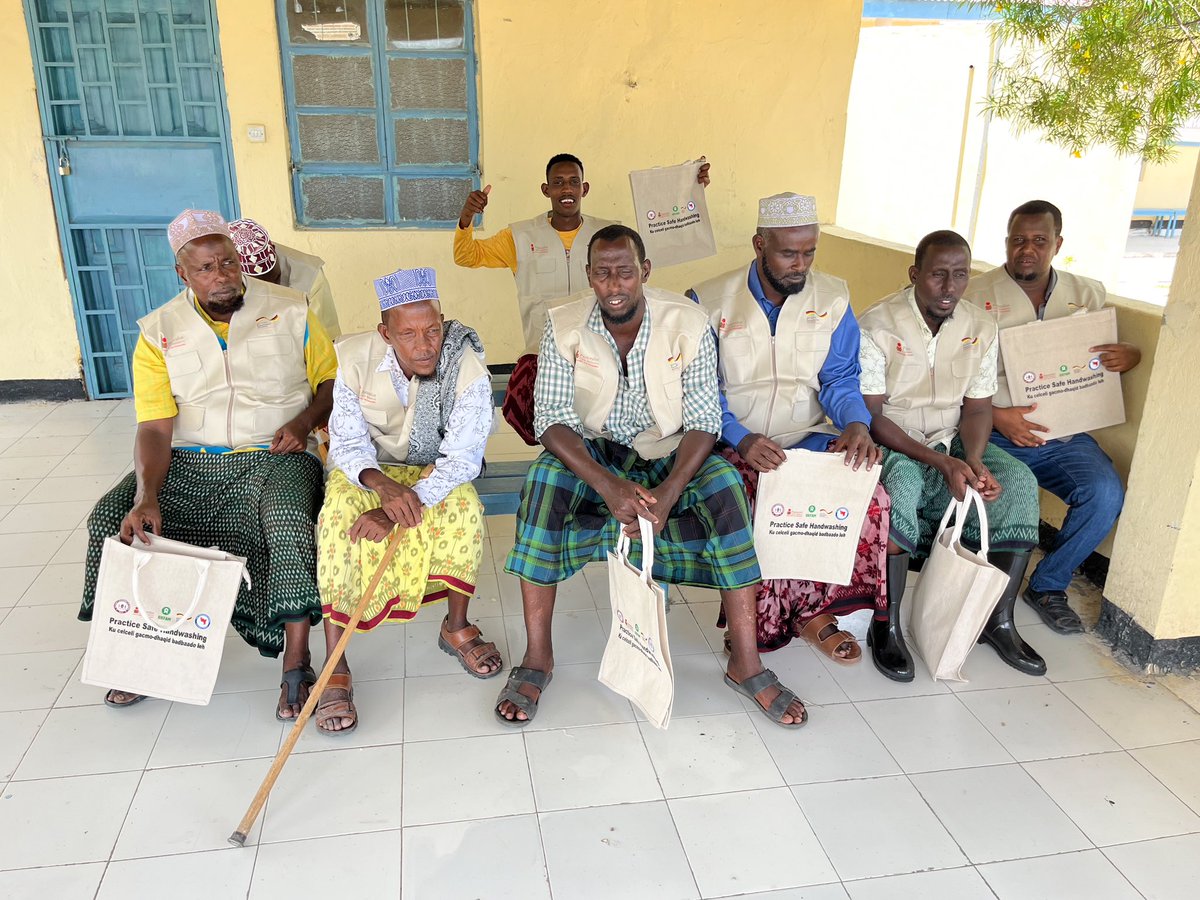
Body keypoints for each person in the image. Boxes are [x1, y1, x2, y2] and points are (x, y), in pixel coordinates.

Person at [497, 224, 808, 728]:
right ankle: (538, 658)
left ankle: (746, 663)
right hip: (596, 452)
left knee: (727, 488)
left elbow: (706, 419)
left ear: (644, 271)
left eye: (624, 272)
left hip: (670, 448)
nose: (614, 285)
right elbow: (550, 419)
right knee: (542, 484)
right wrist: (607, 484)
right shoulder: (563, 326)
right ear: (589, 276)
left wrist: (668, 492)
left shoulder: (688, 322)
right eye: (602, 273)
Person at [79, 209, 336, 717]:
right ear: (183, 274)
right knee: (113, 520)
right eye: (205, 268)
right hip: (189, 460)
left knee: (287, 523)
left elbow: (331, 383)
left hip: (275, 454)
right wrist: (146, 494)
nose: (221, 276)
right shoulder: (158, 332)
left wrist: (304, 424)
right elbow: (154, 426)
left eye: (228, 263)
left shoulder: (292, 309)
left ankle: (296, 662)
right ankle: (142, 655)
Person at [690, 192, 911, 681]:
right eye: (789, 253)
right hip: (732, 442)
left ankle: (814, 611)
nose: (801, 264)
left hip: (809, 436)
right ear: (759, 244)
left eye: (810, 252)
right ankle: (755, 628)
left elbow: (839, 379)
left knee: (871, 500)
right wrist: (741, 438)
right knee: (762, 504)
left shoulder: (832, 299)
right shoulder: (707, 302)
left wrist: (855, 422)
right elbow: (701, 392)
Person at [314, 266, 501, 734]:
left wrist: (404, 502)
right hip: (369, 471)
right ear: (385, 333)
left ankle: (455, 626)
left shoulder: (467, 365)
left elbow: (461, 459)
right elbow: (347, 443)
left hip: (436, 467)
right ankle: (336, 660)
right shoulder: (353, 357)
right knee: (338, 521)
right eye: (409, 334)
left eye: (433, 329)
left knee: (463, 512)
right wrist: (382, 487)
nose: (425, 345)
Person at [859, 230, 1045, 675]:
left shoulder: (979, 327)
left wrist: (974, 460)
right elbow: (872, 416)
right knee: (902, 485)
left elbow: (978, 407)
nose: (949, 287)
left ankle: (996, 620)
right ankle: (885, 625)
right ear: (915, 274)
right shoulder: (877, 324)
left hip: (950, 437)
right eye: (938, 275)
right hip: (893, 439)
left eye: (960, 276)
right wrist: (943, 463)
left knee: (1019, 482)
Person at [963, 200, 1139, 634]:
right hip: (994, 432)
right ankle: (980, 591)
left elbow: (1100, 354)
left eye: (1039, 240)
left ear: (1057, 244)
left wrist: (1129, 355)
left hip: (1063, 436)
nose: (1028, 249)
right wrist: (999, 417)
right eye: (1018, 240)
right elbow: (951, 374)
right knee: (997, 498)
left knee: (1104, 493)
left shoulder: (1087, 294)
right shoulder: (974, 295)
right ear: (1006, 243)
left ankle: (1048, 584)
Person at [453, 153, 710, 443]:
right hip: (545, 358)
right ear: (546, 190)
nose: (566, 189)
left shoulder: (608, 235)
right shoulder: (520, 236)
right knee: (554, 431)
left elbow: (663, 239)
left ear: (584, 189)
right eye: (558, 183)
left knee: (611, 432)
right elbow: (466, 255)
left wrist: (690, 194)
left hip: (603, 356)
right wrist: (467, 218)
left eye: (574, 182)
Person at [228, 217, 342, 339]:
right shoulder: (216, 279)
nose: (268, 290)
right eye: (257, 285)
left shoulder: (309, 274)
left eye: (276, 279)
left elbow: (327, 337)